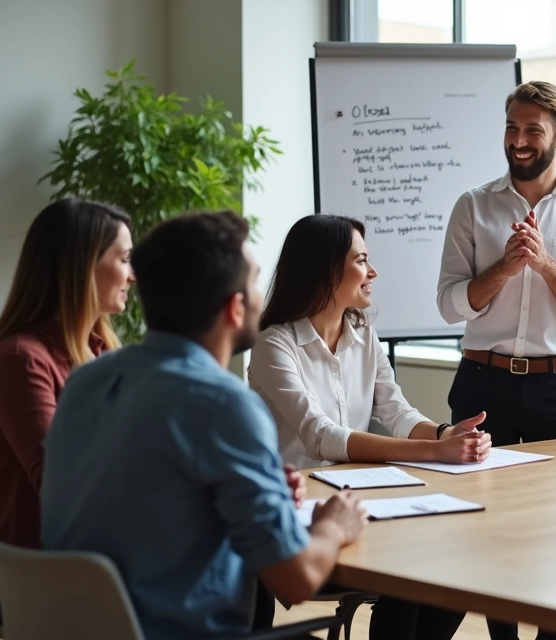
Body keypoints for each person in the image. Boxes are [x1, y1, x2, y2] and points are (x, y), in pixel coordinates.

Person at [40, 211, 367, 640]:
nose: (262, 298)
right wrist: (333, 525)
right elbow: (295, 579)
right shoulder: (227, 405)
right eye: (254, 282)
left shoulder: (85, 381)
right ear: (234, 308)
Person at [436, 80, 556, 640]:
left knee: (553, 527)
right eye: (511, 128)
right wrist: (505, 269)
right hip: (482, 382)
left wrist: (544, 266)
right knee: (484, 522)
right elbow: (448, 304)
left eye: (532, 130)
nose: (518, 140)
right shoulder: (473, 205)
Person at [0, 199, 133, 622]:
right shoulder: (22, 359)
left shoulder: (104, 350)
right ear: (80, 267)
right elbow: (64, 486)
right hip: (41, 577)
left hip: (101, 555)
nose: (132, 275)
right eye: (124, 259)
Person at [249, 214, 492, 470]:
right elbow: (320, 434)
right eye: (361, 261)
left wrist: (445, 434)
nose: (373, 272)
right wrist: (435, 450)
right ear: (324, 269)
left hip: (351, 488)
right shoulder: (272, 345)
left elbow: (397, 413)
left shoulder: (364, 335)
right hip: (293, 493)